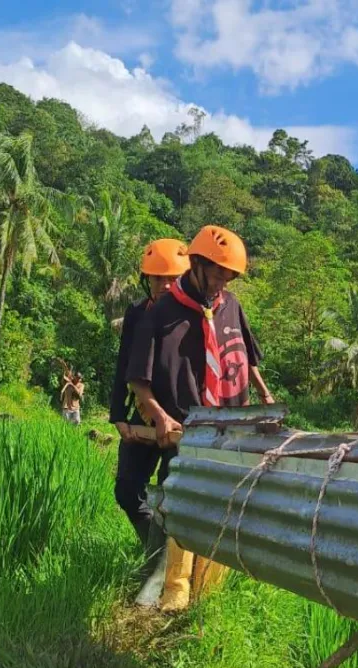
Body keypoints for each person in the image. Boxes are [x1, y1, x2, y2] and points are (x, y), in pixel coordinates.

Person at [127, 225, 275, 611]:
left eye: (229, 276)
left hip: (229, 423)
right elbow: (137, 379)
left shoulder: (230, 306)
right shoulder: (161, 313)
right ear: (196, 263)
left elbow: (248, 356)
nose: (222, 282)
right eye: (217, 273)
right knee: (184, 503)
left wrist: (264, 396)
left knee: (223, 501)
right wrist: (158, 415)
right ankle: (174, 591)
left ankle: (206, 591)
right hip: (183, 429)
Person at [109, 238, 189, 577]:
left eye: (172, 278)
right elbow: (124, 364)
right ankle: (155, 552)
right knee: (128, 490)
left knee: (172, 499)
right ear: (147, 279)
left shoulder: (193, 317)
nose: (165, 285)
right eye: (157, 278)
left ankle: (168, 574)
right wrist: (118, 416)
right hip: (141, 417)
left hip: (180, 423)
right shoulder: (136, 314)